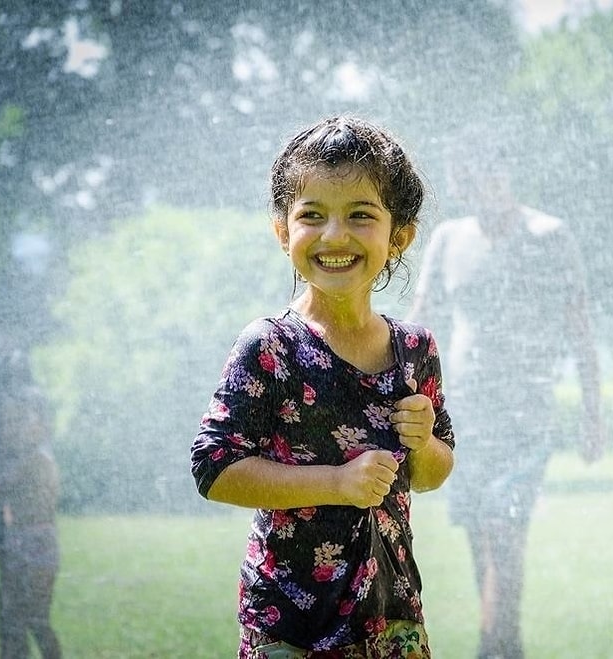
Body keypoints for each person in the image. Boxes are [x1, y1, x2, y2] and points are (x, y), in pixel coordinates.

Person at [190, 115, 455, 658]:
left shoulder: (415, 350)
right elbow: (214, 469)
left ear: (399, 235)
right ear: (283, 231)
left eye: (361, 215)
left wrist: (424, 441)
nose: (335, 235)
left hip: (391, 614)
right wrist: (337, 483)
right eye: (313, 216)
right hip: (292, 621)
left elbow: (431, 474)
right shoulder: (271, 347)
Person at [408, 129, 604, 659]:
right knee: (481, 536)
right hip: (464, 416)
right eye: (469, 178)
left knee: (503, 525)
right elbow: (420, 321)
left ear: (507, 172)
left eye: (491, 172)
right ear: (461, 183)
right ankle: (505, 647)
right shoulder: (450, 239)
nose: (482, 186)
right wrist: (386, 382)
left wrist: (592, 415)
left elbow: (580, 330)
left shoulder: (549, 235)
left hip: (527, 416)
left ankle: (488, 648)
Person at [0, 384, 63, 659]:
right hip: (34, 546)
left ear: (40, 425)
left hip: (31, 548)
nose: (21, 427)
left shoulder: (34, 459)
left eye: (27, 421)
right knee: (31, 619)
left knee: (26, 618)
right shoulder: (37, 455)